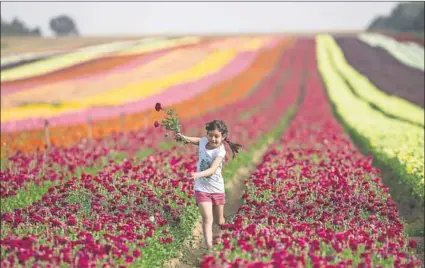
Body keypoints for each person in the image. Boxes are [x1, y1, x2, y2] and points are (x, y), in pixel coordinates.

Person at [176, 120, 242, 251]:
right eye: (210, 135)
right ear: (207, 135)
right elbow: (197, 140)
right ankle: (209, 247)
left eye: (217, 136)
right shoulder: (203, 142)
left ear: (223, 137)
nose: (213, 139)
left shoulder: (220, 152)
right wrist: (183, 137)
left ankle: (228, 235)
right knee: (207, 218)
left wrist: (197, 174)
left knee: (219, 221)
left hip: (216, 189)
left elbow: (212, 170)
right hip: (201, 188)